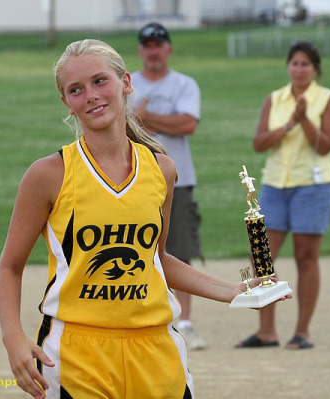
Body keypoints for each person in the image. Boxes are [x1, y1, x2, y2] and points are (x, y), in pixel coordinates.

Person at [0, 39, 289, 399]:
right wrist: (13, 338)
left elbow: (156, 259)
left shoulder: (161, 170)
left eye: (100, 81)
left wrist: (230, 291)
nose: (90, 95)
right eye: (76, 90)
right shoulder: (49, 174)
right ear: (67, 104)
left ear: (126, 83)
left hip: (157, 346)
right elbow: (9, 266)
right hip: (76, 351)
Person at [236, 41, 330, 350]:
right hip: (274, 185)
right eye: (294, 63)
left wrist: (306, 118)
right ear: (288, 67)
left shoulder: (327, 99)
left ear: (316, 69)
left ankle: (302, 331)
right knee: (261, 254)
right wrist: (290, 123)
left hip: (313, 186)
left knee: (306, 258)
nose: (299, 69)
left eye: (305, 64)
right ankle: (267, 331)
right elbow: (259, 143)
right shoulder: (274, 99)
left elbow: (325, 146)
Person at [131, 22, 206, 349]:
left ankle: (184, 322)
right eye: (147, 45)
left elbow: (187, 123)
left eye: (158, 45)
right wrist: (162, 120)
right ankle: (142, 315)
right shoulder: (128, 83)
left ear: (169, 49)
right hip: (133, 181)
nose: (153, 51)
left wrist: (144, 119)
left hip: (179, 180)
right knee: (136, 249)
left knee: (180, 250)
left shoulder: (184, 84)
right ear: (140, 50)